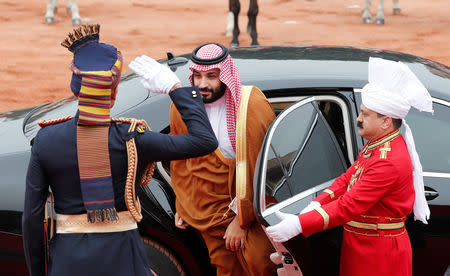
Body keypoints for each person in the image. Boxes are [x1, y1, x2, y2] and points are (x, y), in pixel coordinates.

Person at [22, 24, 218, 276]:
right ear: (113, 92)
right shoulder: (133, 139)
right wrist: (175, 88)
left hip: (68, 264)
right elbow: (204, 141)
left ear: (76, 88)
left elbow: (32, 220)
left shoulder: (46, 140)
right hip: (126, 262)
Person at [266, 57, 434, 276]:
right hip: (363, 245)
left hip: (379, 255)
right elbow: (348, 178)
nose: (358, 119)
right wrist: (316, 204)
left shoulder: (388, 160)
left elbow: (349, 205)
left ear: (386, 121)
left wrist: (300, 224)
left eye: (365, 114)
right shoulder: (377, 144)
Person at [133, 42, 277, 276]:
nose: (202, 84)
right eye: (197, 76)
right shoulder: (183, 107)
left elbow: (258, 171)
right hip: (208, 214)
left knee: (259, 262)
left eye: (211, 76)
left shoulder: (250, 107)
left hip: (246, 210)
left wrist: (241, 221)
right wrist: (185, 203)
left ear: (226, 75)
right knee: (224, 268)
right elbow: (182, 164)